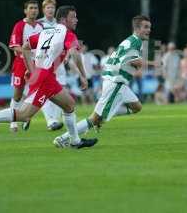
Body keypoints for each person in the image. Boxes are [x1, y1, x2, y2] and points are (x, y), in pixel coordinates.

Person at [0, 6, 98, 149]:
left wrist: (32, 69)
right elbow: (75, 54)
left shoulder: (46, 31)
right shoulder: (67, 34)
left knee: (69, 105)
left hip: (45, 75)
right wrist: (83, 75)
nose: (76, 20)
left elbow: (25, 47)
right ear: (64, 19)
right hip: (44, 77)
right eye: (73, 17)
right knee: (25, 115)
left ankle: (75, 141)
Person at [53, 15, 151, 148]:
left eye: (149, 27)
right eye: (145, 27)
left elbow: (125, 60)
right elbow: (132, 61)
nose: (148, 30)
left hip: (117, 82)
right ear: (137, 28)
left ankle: (103, 116)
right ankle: (63, 138)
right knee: (94, 118)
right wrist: (153, 63)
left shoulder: (131, 40)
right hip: (115, 83)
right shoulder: (136, 42)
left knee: (136, 107)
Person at [25, 0, 65, 131]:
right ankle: (50, 121)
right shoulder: (39, 25)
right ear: (43, 9)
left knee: (60, 89)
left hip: (58, 61)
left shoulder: (60, 23)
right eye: (48, 7)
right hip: (44, 61)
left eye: (53, 7)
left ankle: (54, 119)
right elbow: (32, 44)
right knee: (44, 91)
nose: (50, 10)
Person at [8, 0, 43, 132]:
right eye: (31, 8)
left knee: (36, 91)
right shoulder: (19, 25)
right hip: (21, 63)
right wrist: (27, 52)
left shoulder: (41, 26)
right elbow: (14, 46)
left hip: (37, 63)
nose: (34, 10)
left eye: (36, 8)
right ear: (25, 11)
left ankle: (26, 116)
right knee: (18, 94)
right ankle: (13, 121)